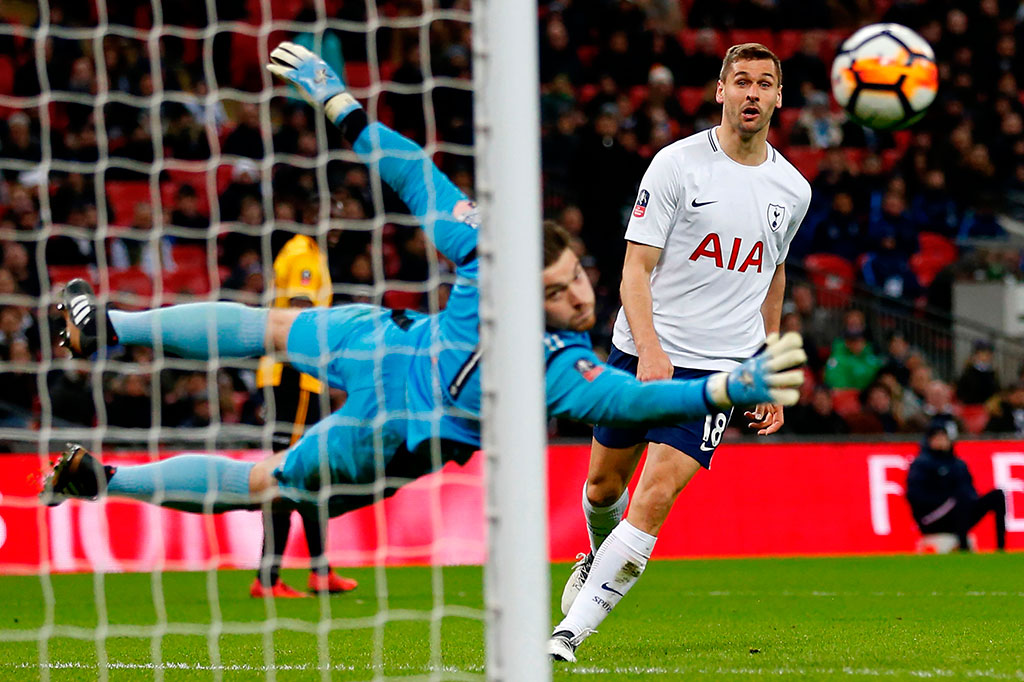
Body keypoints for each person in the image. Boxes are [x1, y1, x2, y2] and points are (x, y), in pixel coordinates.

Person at [42, 44, 808, 555]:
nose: (583, 292)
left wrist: (342, 108)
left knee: (264, 328)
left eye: (577, 278)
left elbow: (411, 174)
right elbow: (629, 399)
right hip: (404, 424)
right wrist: (726, 386)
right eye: (567, 287)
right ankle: (107, 469)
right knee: (264, 482)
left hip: (391, 340)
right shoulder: (550, 366)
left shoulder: (488, 252)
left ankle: (108, 327)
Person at [551, 43, 812, 663]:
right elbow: (634, 271)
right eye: (741, 81)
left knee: (657, 492)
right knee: (600, 488)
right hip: (644, 352)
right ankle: (594, 556)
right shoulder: (676, 165)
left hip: (717, 372)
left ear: (779, 98)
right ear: (720, 91)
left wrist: (766, 363)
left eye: (765, 84)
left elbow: (773, 277)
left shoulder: (792, 190)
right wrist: (649, 350)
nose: (752, 93)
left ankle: (570, 634)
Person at [250, 234, 357, 598]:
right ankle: (268, 578)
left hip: (299, 379)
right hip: (294, 377)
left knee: (310, 473)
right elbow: (300, 314)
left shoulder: (298, 252)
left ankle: (320, 570)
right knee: (288, 472)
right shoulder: (303, 254)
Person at [905, 422, 1006, 552]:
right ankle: (963, 546)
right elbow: (914, 495)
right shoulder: (921, 464)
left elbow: (970, 490)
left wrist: (971, 500)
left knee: (997, 495)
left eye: (944, 437)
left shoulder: (958, 464)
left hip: (960, 512)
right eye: (937, 438)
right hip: (932, 518)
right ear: (929, 441)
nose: (941, 441)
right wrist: (945, 499)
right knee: (958, 498)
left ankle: (1001, 548)